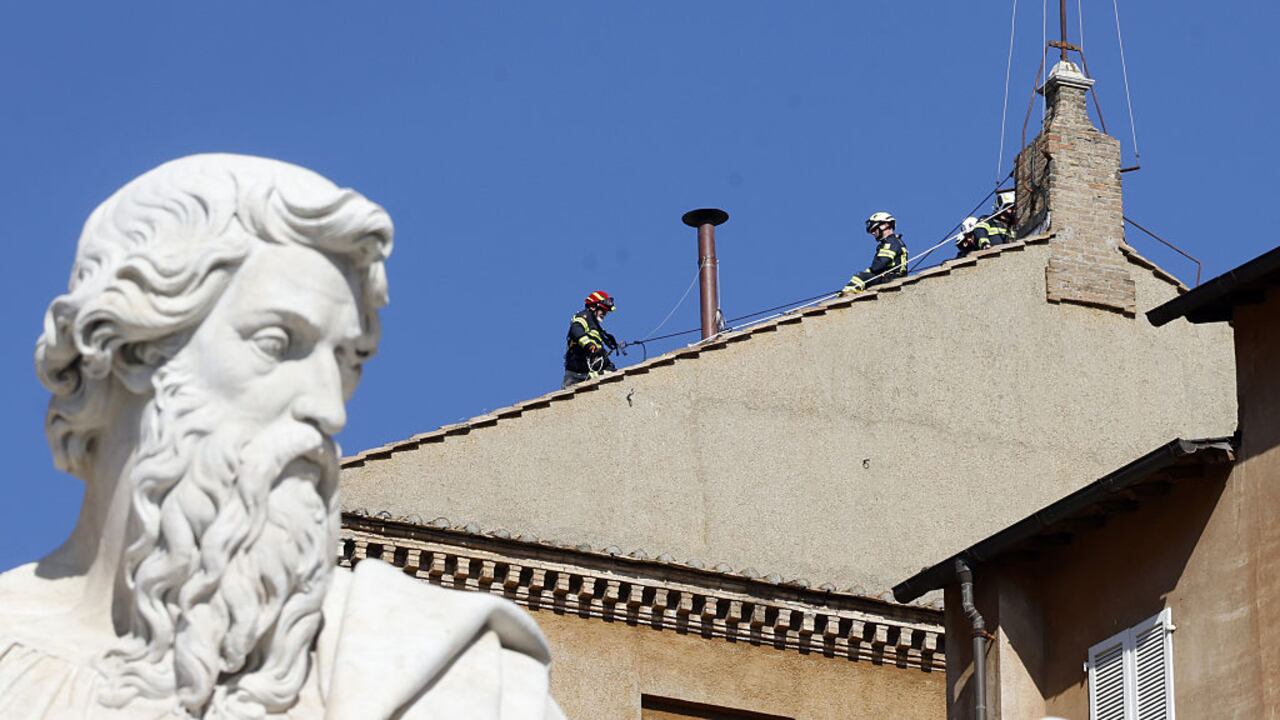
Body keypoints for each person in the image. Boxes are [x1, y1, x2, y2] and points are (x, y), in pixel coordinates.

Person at [0, 155, 565, 719]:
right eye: (277, 343)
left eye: (347, 360)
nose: (328, 408)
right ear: (130, 351)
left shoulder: (444, 681)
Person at [563, 290, 618, 388]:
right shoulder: (584, 316)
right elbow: (575, 330)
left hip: (588, 371)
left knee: (612, 374)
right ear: (593, 307)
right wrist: (589, 345)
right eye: (603, 310)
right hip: (577, 373)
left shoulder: (596, 327)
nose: (604, 313)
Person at [843, 211, 909, 293]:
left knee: (860, 277)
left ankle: (846, 296)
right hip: (892, 278)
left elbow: (878, 266)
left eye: (874, 229)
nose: (873, 233)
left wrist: (866, 273)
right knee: (865, 278)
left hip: (891, 279)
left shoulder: (890, 242)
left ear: (885, 225)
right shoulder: (895, 241)